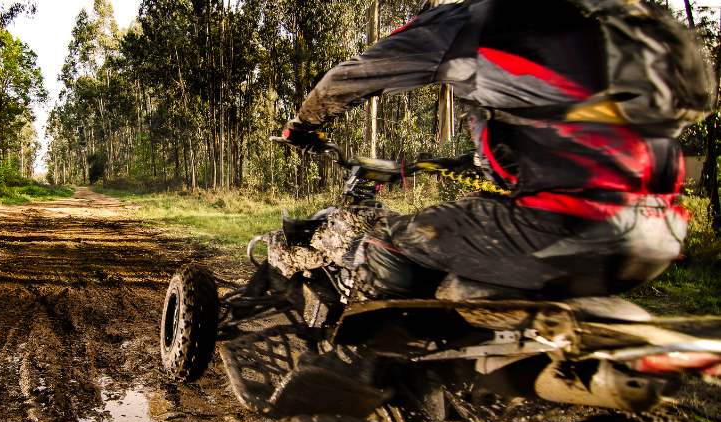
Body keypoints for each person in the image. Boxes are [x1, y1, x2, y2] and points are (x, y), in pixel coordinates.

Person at [280, 0, 714, 298]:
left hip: (561, 225)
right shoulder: (616, 33)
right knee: (467, 230)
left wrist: (304, 126)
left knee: (386, 241)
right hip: (656, 234)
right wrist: (418, 166)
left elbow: (349, 78)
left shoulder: (476, 22)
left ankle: (360, 372)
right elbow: (542, 149)